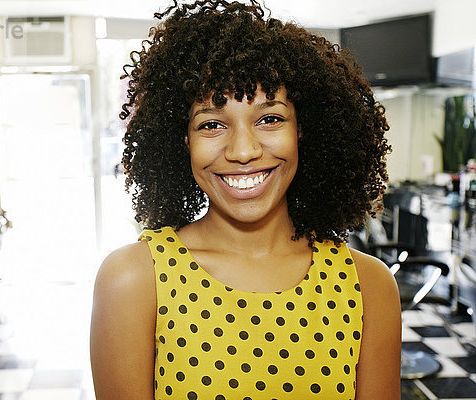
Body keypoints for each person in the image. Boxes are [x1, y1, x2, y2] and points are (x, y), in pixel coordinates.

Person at [90, 1, 401, 399]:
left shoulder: (368, 285)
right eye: (212, 123)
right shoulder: (134, 280)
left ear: (303, 129)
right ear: (182, 141)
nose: (242, 151)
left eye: (269, 118)